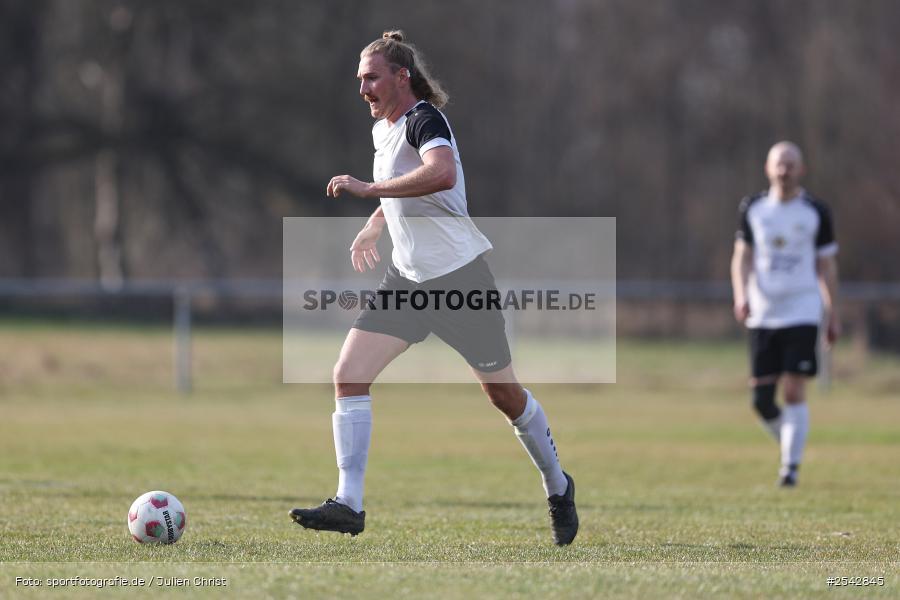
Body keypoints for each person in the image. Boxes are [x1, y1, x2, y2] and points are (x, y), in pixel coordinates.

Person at [289, 31, 578, 545]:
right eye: (359, 79)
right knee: (349, 375)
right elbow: (407, 186)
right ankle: (349, 503)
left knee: (504, 396)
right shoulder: (383, 129)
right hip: (407, 281)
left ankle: (557, 485)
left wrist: (369, 190)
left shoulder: (426, 119)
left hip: (459, 279)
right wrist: (376, 222)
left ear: (402, 77)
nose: (363, 88)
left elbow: (440, 175)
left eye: (372, 77)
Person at [730, 141, 840, 487]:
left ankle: (789, 468)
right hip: (763, 312)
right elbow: (742, 258)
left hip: (802, 310)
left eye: (790, 164)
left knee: (793, 390)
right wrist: (741, 295)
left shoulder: (815, 211)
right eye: (778, 164)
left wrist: (832, 311)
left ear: (801, 169)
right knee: (762, 401)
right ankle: (791, 445)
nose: (784, 170)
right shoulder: (753, 208)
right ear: (767, 168)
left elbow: (826, 265)